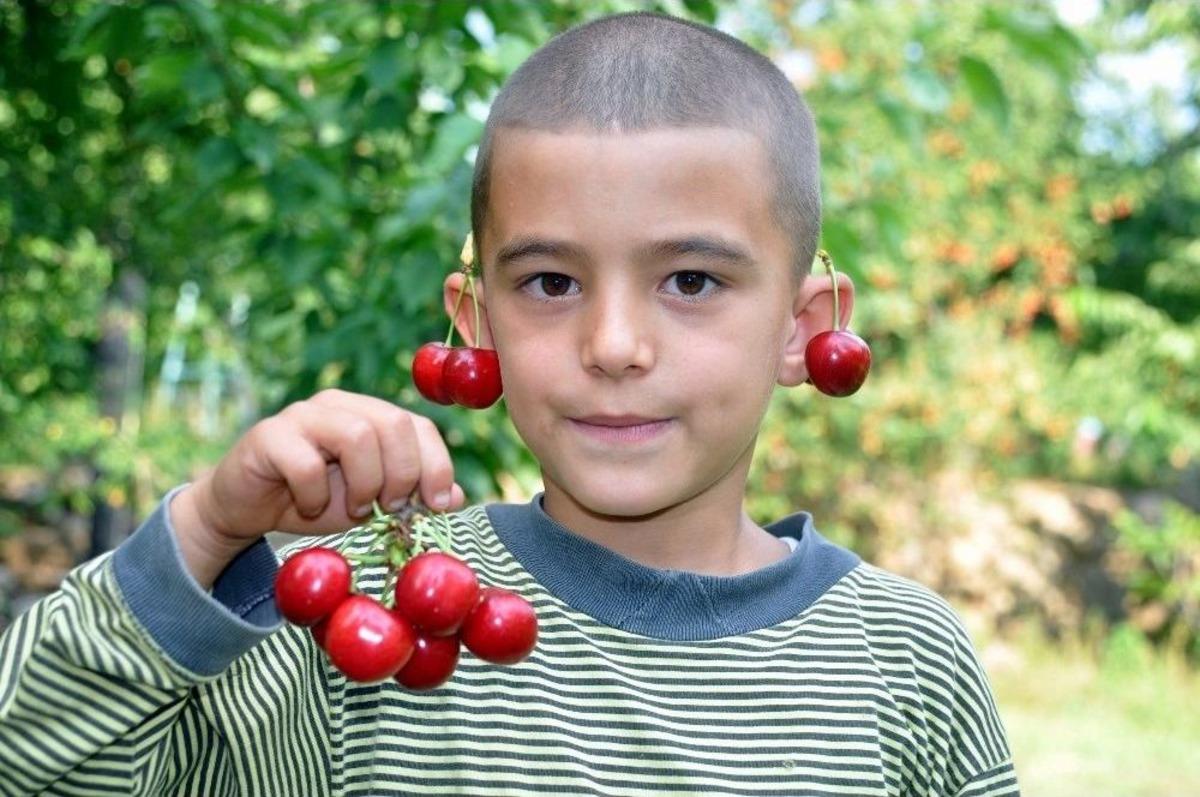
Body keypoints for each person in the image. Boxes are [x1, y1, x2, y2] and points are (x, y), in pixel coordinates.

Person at [0, 11, 1019, 796]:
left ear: (805, 327)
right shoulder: (368, 618)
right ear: (474, 321)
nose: (613, 346)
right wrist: (208, 528)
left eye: (693, 281)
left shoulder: (906, 660)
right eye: (550, 283)